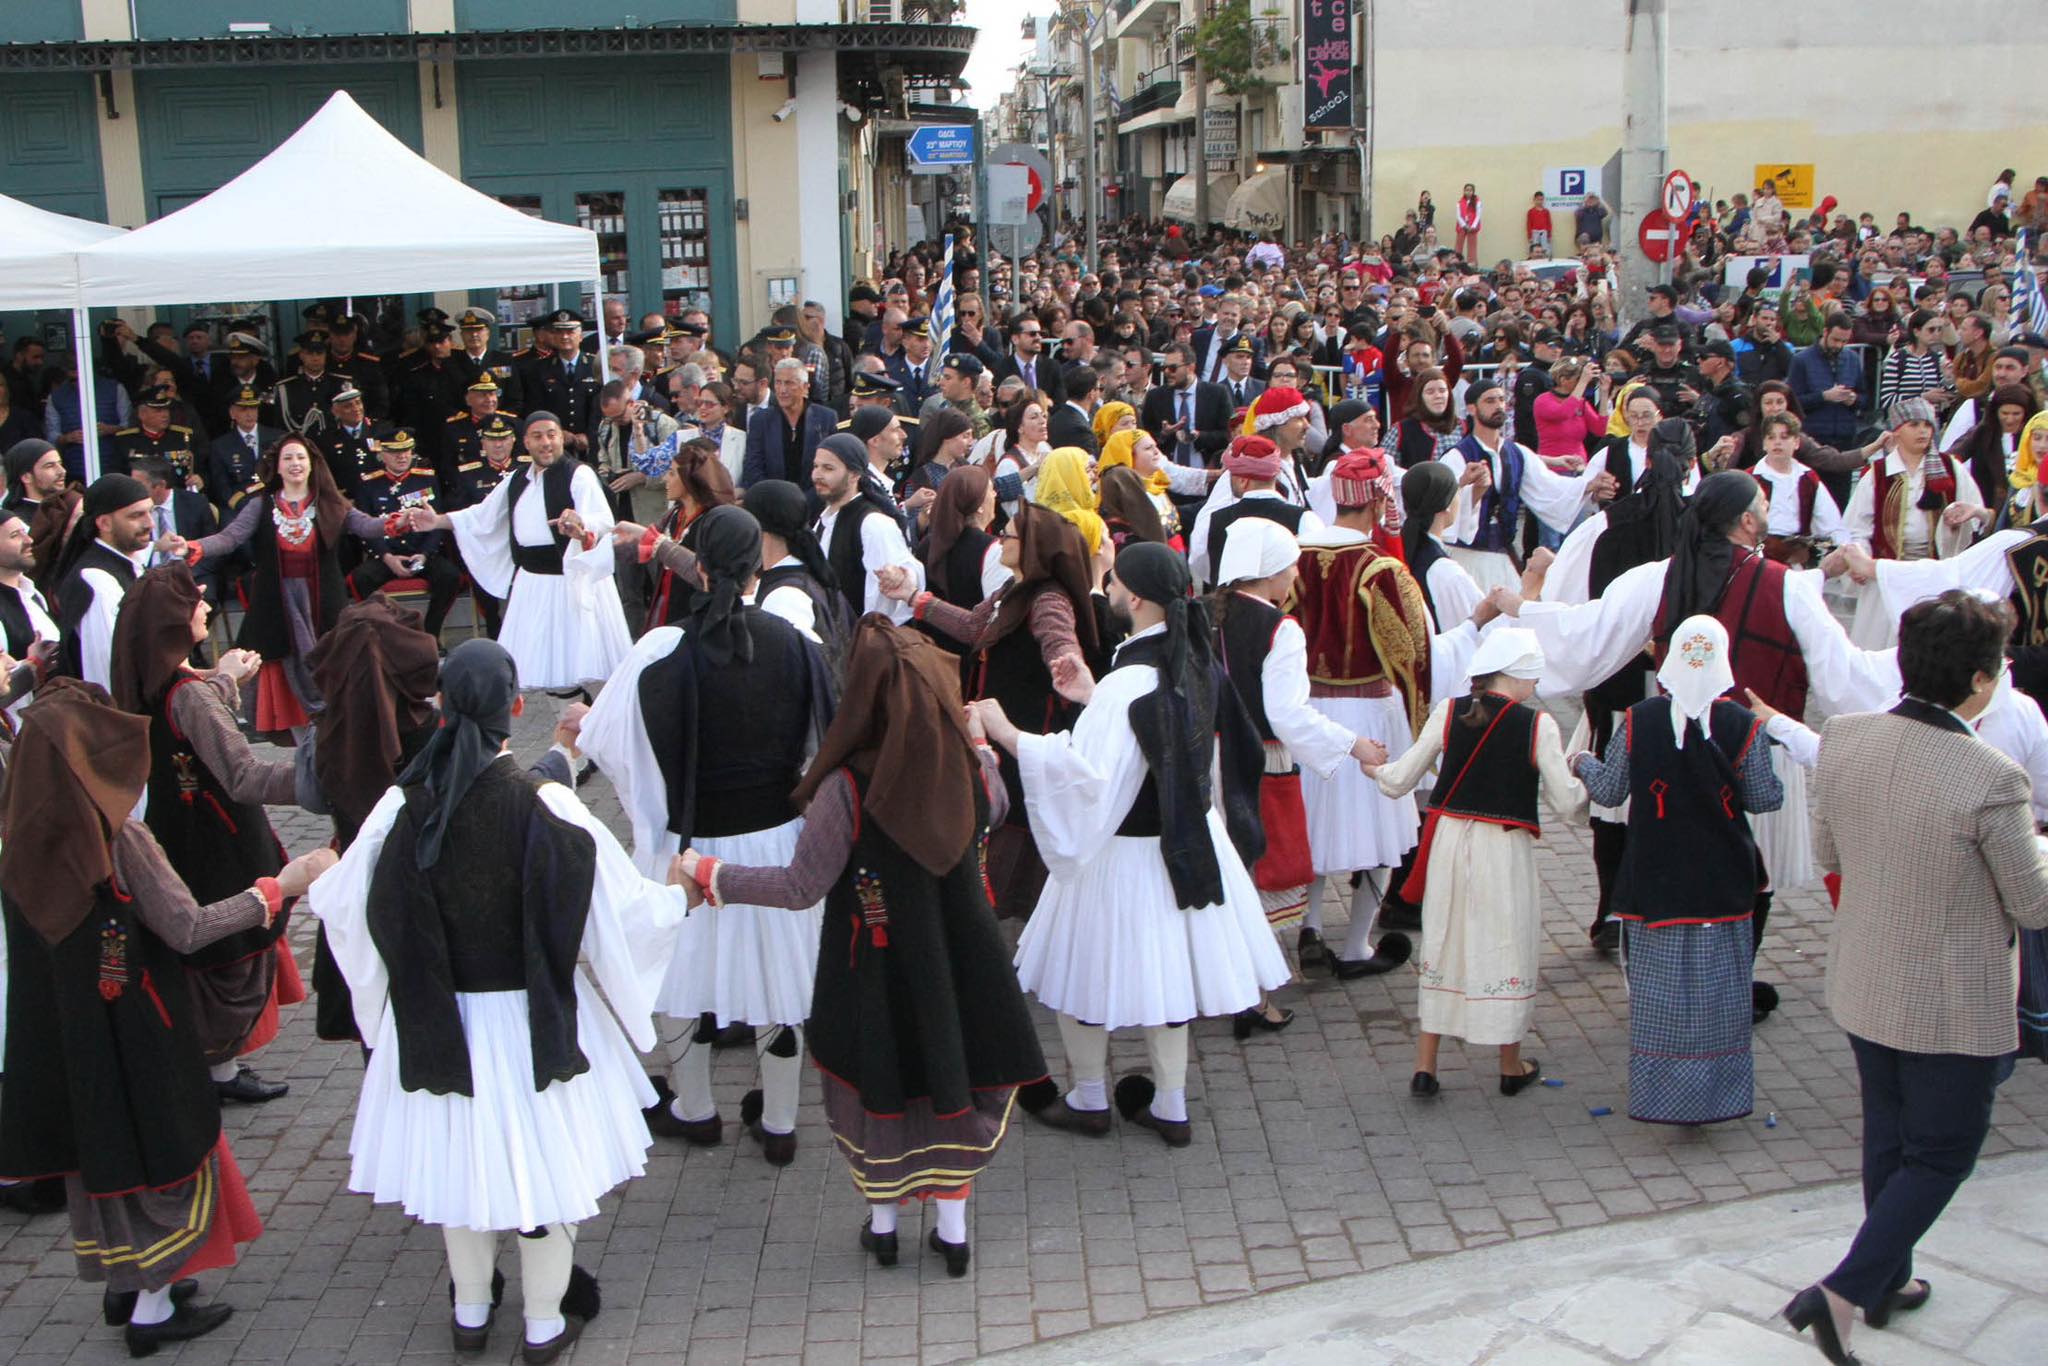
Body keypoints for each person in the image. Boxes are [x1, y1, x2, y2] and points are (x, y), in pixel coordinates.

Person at [306, 640, 690, 1363]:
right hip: (531, 1019)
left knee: (463, 1168)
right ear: (515, 707)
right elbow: (622, 910)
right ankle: (544, 1326)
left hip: (437, 1021)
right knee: (540, 1179)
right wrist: (683, 897)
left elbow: (345, 905)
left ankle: (473, 1312)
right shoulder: (545, 806)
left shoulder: (402, 801)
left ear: (442, 708)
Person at [675, 618, 1048, 1277]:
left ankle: (883, 1227)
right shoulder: (967, 766)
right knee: (948, 1077)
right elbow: (992, 813)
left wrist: (713, 876)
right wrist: (982, 746)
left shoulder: (845, 789)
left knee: (883, 1079)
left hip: (870, 966)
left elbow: (800, 886)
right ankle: (954, 1233)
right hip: (961, 962)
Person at [0, 679, 335, 1356]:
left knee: (106, 1151)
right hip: (141, 1024)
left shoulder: (25, 835)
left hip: (76, 1033)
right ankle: (152, 1309)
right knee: (163, 1152)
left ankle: (126, 1281)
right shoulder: (117, 837)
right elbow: (187, 927)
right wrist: (278, 888)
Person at [1786, 591, 2048, 1365]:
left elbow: (1831, 856)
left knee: (1888, 1138)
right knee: (1941, 1154)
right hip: (1952, 995)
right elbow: (2032, 903)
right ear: (1980, 679)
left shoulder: (1846, 737)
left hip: (1866, 973)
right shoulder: (1993, 775)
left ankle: (1888, 1279)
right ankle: (1844, 1291)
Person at [984, 542, 1288, 1146]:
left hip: (1123, 853)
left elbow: (1087, 776)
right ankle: (1171, 1107)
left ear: (1137, 597)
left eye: (1113, 581)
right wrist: (1092, 698)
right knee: (1167, 979)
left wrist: (1006, 730)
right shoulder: (1196, 659)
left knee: (1082, 976)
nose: (1109, 588)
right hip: (1188, 845)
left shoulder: (1131, 681)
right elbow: (1160, 736)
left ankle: (1090, 1098)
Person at [578, 507, 832, 1167]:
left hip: (684, 847)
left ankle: (694, 1108)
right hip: (779, 842)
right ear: (757, 566)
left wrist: (652, 807)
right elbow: (820, 751)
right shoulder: (797, 643)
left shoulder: (659, 649)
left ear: (697, 563)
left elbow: (606, 741)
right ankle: (778, 1121)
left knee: (677, 976)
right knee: (778, 984)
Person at [1570, 616, 1783, 1124]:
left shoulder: (1639, 721)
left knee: (1661, 996)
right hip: (1725, 883)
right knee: (1721, 994)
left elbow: (1610, 791)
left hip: (1655, 879)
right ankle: (1717, 1098)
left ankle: (1661, 1098)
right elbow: (1764, 797)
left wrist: (1581, 761)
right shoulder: (1743, 726)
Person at [109, 563, 306, 1103]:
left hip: (181, 834)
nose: (204, 605)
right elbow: (245, 775)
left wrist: (222, 676)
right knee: (232, 956)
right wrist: (324, 777)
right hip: (221, 842)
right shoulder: (189, 695)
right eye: (193, 601)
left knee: (212, 959)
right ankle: (215, 1075)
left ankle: (213, 1073)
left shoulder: (148, 677)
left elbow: (189, 702)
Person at [1363, 629, 1587, 1097]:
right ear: (1519, 675)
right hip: (1502, 849)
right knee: (1505, 943)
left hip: (1448, 842)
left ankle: (1426, 1066)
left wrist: (1374, 769)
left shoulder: (1449, 711)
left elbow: (1400, 779)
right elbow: (1566, 802)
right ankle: (1510, 1063)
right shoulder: (1537, 725)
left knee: (1444, 942)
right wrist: (1586, 770)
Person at [1213, 517, 1394, 1032]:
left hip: (1210, 759)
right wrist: (1354, 744)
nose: (1297, 572)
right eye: (1291, 563)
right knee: (1263, 873)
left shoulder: (1208, 615)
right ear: (1269, 570)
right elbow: (1287, 715)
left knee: (1228, 871)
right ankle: (1255, 998)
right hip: (1260, 762)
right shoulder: (1280, 629)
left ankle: (1227, 985)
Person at [882, 502, 1098, 919]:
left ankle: (1010, 923)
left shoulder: (1047, 599)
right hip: (1000, 728)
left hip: (1023, 732)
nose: (999, 537)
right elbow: (973, 627)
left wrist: (1068, 662)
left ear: (1032, 546)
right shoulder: (1013, 590)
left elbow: (1060, 641)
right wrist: (913, 598)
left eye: (1009, 534)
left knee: (1014, 823)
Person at [1291, 450, 1437, 971]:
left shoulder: (1294, 557)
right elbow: (1413, 652)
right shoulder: (1382, 569)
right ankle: (1356, 945)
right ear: (1377, 499)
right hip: (1371, 712)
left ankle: (1308, 924)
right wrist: (1423, 725)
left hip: (1307, 709)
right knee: (1376, 830)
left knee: (1313, 823)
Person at [300, 596, 444, 1044]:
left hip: (357, 892)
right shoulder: (428, 728)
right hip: (423, 900)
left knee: (375, 1030)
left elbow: (312, 798)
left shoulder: (327, 728)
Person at [183, 433, 391, 740]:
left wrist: (398, 521)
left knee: (328, 651)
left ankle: (331, 721)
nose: (295, 464)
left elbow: (366, 525)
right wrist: (193, 546)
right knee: (281, 655)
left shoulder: (331, 502)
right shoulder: (260, 505)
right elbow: (230, 537)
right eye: (288, 458)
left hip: (321, 598)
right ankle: (293, 730)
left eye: (300, 458)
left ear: (311, 465)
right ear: (277, 467)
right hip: (276, 599)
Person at [410, 412, 632, 692]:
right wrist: (439, 521)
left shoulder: (578, 474)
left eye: (552, 435)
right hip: (533, 585)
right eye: (538, 437)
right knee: (545, 673)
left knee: (589, 671)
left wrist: (581, 526)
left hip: (572, 582)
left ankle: (597, 728)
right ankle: (565, 732)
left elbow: (601, 519)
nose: (546, 443)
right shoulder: (516, 479)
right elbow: (482, 515)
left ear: (561, 437)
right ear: (525, 441)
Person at [1836, 399, 1987, 647]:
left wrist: (1972, 514)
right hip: (1887, 571)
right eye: (1914, 425)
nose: (1923, 431)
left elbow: (1980, 514)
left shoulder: (1950, 468)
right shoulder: (1879, 473)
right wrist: (1859, 560)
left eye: (1927, 425)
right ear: (1897, 430)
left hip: (1933, 572)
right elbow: (1857, 528)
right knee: (1881, 645)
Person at [345, 428, 462, 638]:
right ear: (382, 455)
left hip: (422, 552)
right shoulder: (368, 484)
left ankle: (430, 635)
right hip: (387, 554)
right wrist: (387, 557)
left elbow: (436, 523)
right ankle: (384, 635)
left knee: (451, 577)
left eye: (407, 450)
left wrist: (425, 554)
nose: (402, 456)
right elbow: (365, 528)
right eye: (395, 452)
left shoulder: (426, 479)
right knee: (358, 579)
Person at [52, 473, 161, 687]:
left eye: (150, 512)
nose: (150, 524)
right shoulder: (97, 580)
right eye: (136, 515)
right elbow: (107, 668)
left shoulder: (128, 565)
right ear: (104, 523)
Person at [812, 433, 921, 624]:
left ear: (854, 474)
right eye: (816, 466)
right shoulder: (824, 520)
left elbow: (883, 606)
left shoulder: (873, 524)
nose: (817, 475)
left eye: (828, 468)